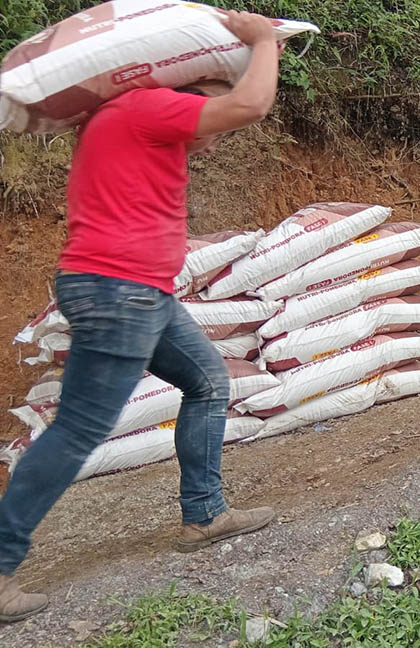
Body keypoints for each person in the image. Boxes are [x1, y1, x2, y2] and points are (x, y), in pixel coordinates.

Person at [0, 11, 283, 623]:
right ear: (188, 91)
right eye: (210, 108)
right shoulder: (148, 107)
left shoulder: (127, 120)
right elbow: (250, 105)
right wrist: (263, 40)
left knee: (208, 382)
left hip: (138, 294)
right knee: (78, 430)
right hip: (119, 293)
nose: (215, 134)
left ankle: (204, 513)